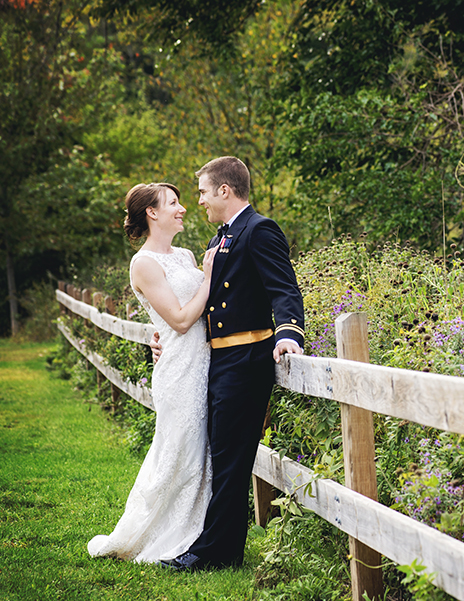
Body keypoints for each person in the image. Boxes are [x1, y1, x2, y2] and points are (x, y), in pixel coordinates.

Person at [159, 156, 305, 571]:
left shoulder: (259, 230)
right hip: (217, 360)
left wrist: (289, 332)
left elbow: (284, 289)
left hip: (245, 360)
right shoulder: (217, 239)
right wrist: (164, 338)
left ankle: (212, 553)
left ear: (225, 190)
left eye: (204, 191)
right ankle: (220, 548)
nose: (200, 201)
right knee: (221, 454)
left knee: (230, 457)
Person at [88, 183, 217, 563]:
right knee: (178, 451)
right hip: (178, 370)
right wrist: (209, 277)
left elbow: (194, 310)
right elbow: (178, 319)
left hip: (204, 363)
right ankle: (162, 534)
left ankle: (200, 530)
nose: (182, 209)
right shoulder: (143, 263)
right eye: (173, 204)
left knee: (200, 452)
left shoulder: (186, 254)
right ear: (152, 213)